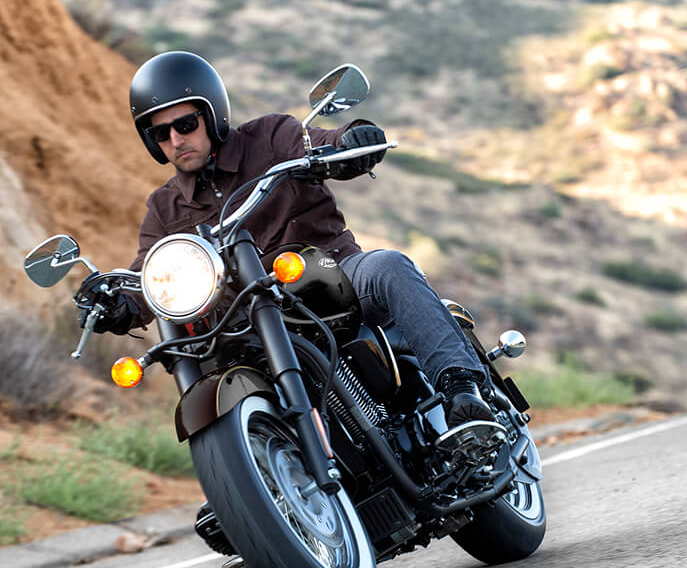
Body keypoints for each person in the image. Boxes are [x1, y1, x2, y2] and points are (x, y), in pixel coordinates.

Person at [87, 50, 496, 432]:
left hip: (333, 278)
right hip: (245, 323)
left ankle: (463, 389)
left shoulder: (269, 137)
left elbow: (317, 141)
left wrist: (350, 142)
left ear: (211, 116)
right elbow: (149, 273)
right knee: (192, 348)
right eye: (160, 133)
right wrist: (116, 300)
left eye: (186, 124)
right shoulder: (164, 209)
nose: (176, 140)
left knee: (388, 266)